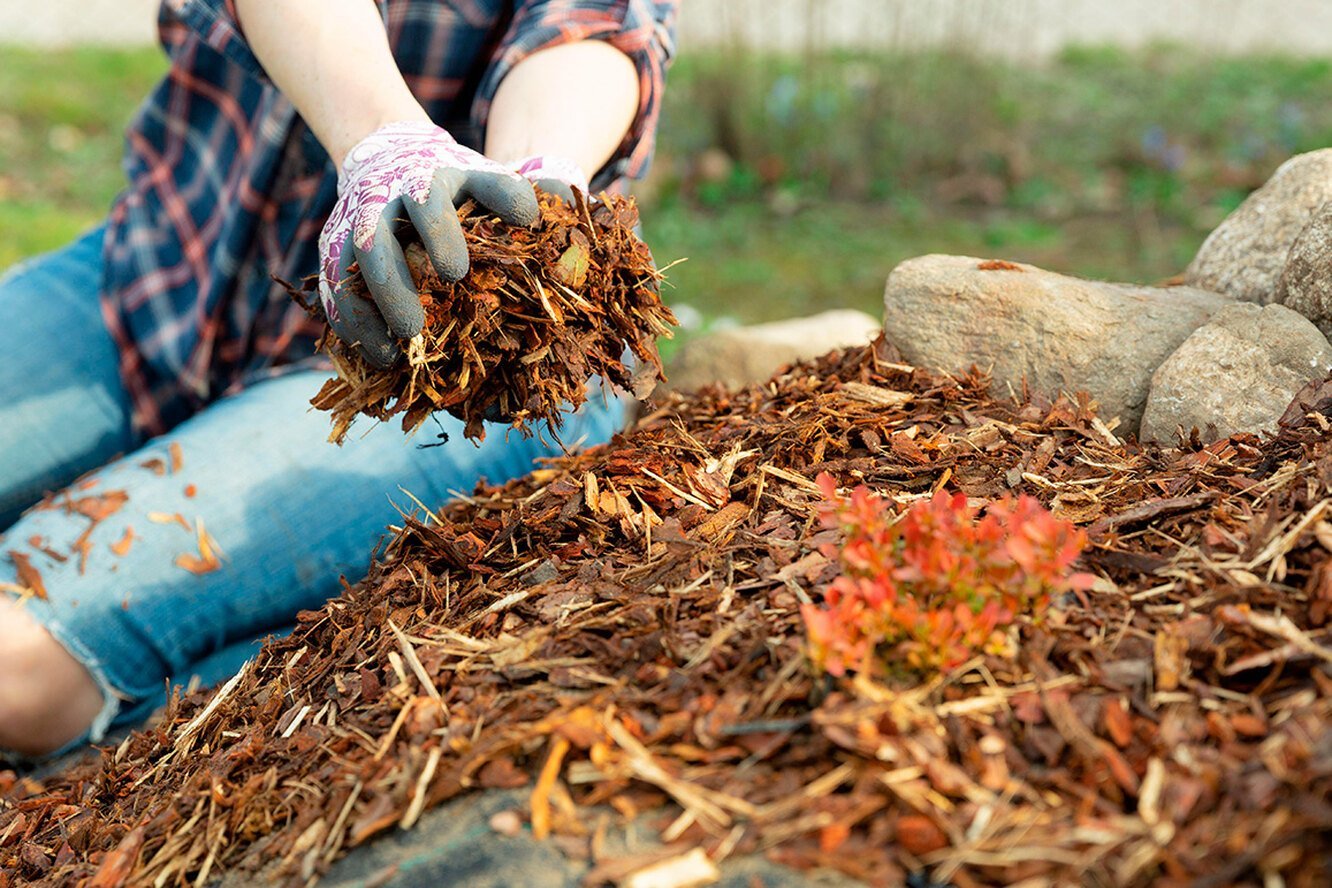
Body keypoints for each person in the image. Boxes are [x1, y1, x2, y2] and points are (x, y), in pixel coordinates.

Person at [0, 0, 676, 759]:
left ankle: (261, 676)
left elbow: (590, 28)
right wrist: (385, 144)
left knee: (16, 669)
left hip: (431, 379)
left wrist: (535, 180)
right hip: (164, 271)